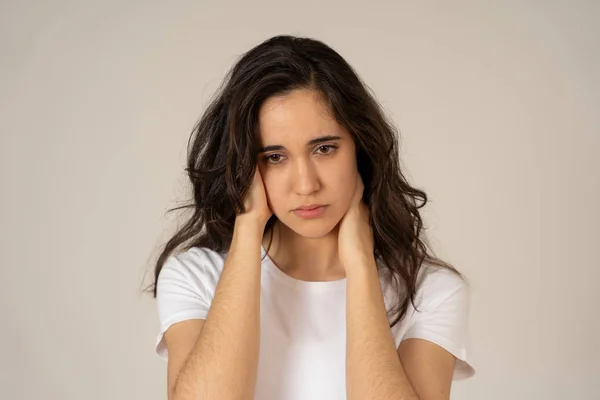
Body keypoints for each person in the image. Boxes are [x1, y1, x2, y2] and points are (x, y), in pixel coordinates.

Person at [150, 35, 475, 400]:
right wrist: (248, 226)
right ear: (244, 166)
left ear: (361, 147)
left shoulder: (430, 292)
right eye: (274, 157)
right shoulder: (196, 278)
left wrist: (361, 267)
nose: (306, 185)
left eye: (324, 149)